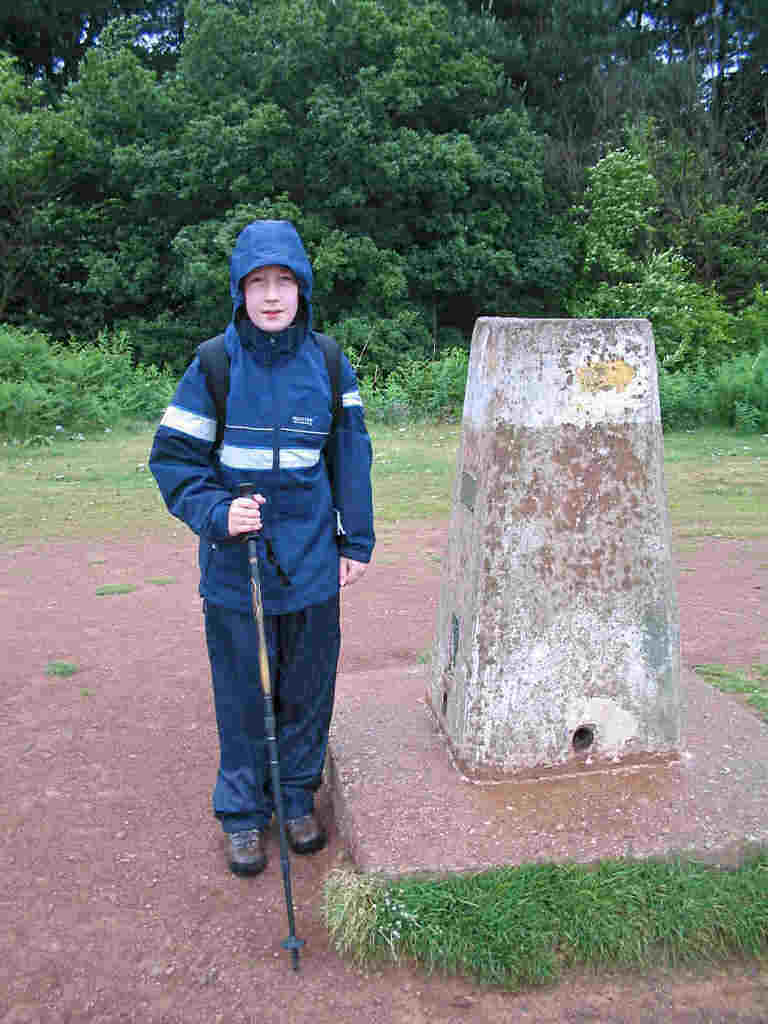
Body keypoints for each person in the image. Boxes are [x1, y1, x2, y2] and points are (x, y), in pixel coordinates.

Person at [149, 220, 375, 876]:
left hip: (309, 564)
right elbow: (173, 461)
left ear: (301, 289)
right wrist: (219, 511)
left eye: (284, 282)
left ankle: (297, 797)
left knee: (307, 688)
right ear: (239, 292)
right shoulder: (213, 366)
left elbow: (350, 460)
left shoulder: (330, 363)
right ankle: (244, 814)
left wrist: (354, 539)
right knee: (245, 693)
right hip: (233, 568)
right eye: (257, 283)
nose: (271, 296)